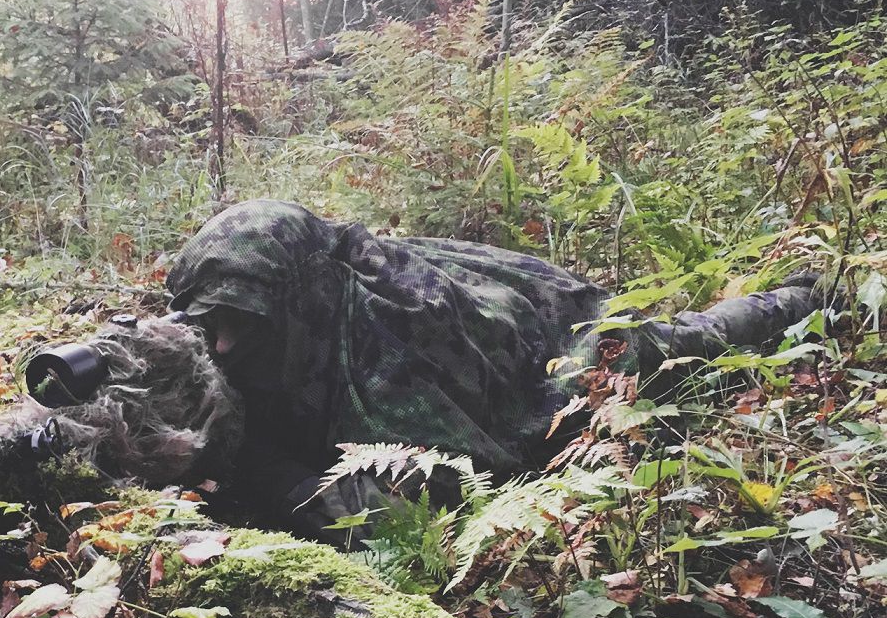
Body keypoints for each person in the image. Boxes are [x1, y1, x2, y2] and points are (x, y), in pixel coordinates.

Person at [166, 200, 828, 536]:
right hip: (492, 310)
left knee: (684, 346)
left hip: (562, 350)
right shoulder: (293, 314)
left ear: (299, 300)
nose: (221, 347)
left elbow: (431, 501)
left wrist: (268, 471)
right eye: (210, 324)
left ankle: (802, 296)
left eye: (243, 325)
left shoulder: (389, 359)